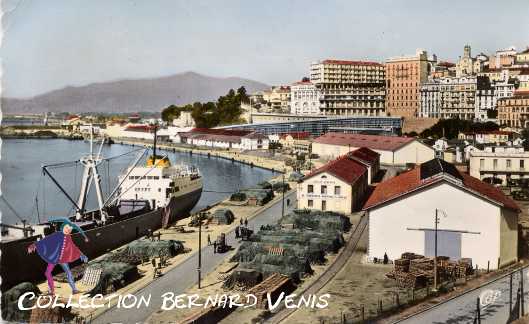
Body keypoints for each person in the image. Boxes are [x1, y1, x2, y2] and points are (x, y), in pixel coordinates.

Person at [27, 218, 89, 296]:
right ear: (63, 227)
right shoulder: (57, 234)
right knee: (48, 273)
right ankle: (52, 291)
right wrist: (35, 245)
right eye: (66, 228)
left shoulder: (68, 237)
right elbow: (46, 240)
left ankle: (74, 290)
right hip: (54, 257)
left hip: (62, 258)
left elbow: (73, 246)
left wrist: (82, 254)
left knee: (68, 272)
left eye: (70, 230)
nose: (68, 231)